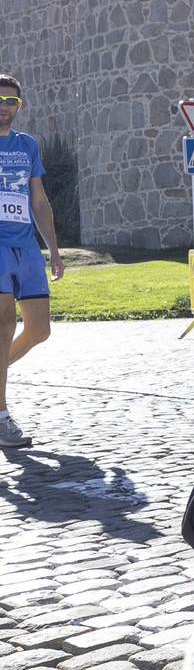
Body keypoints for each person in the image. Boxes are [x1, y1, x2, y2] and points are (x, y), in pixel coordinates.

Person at [0, 74, 64, 448]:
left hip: (26, 248)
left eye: (12, 102)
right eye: (0, 100)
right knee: (5, 322)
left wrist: (53, 248)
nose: (5, 106)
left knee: (39, 329)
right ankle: (2, 417)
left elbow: (38, 200)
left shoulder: (28, 145)